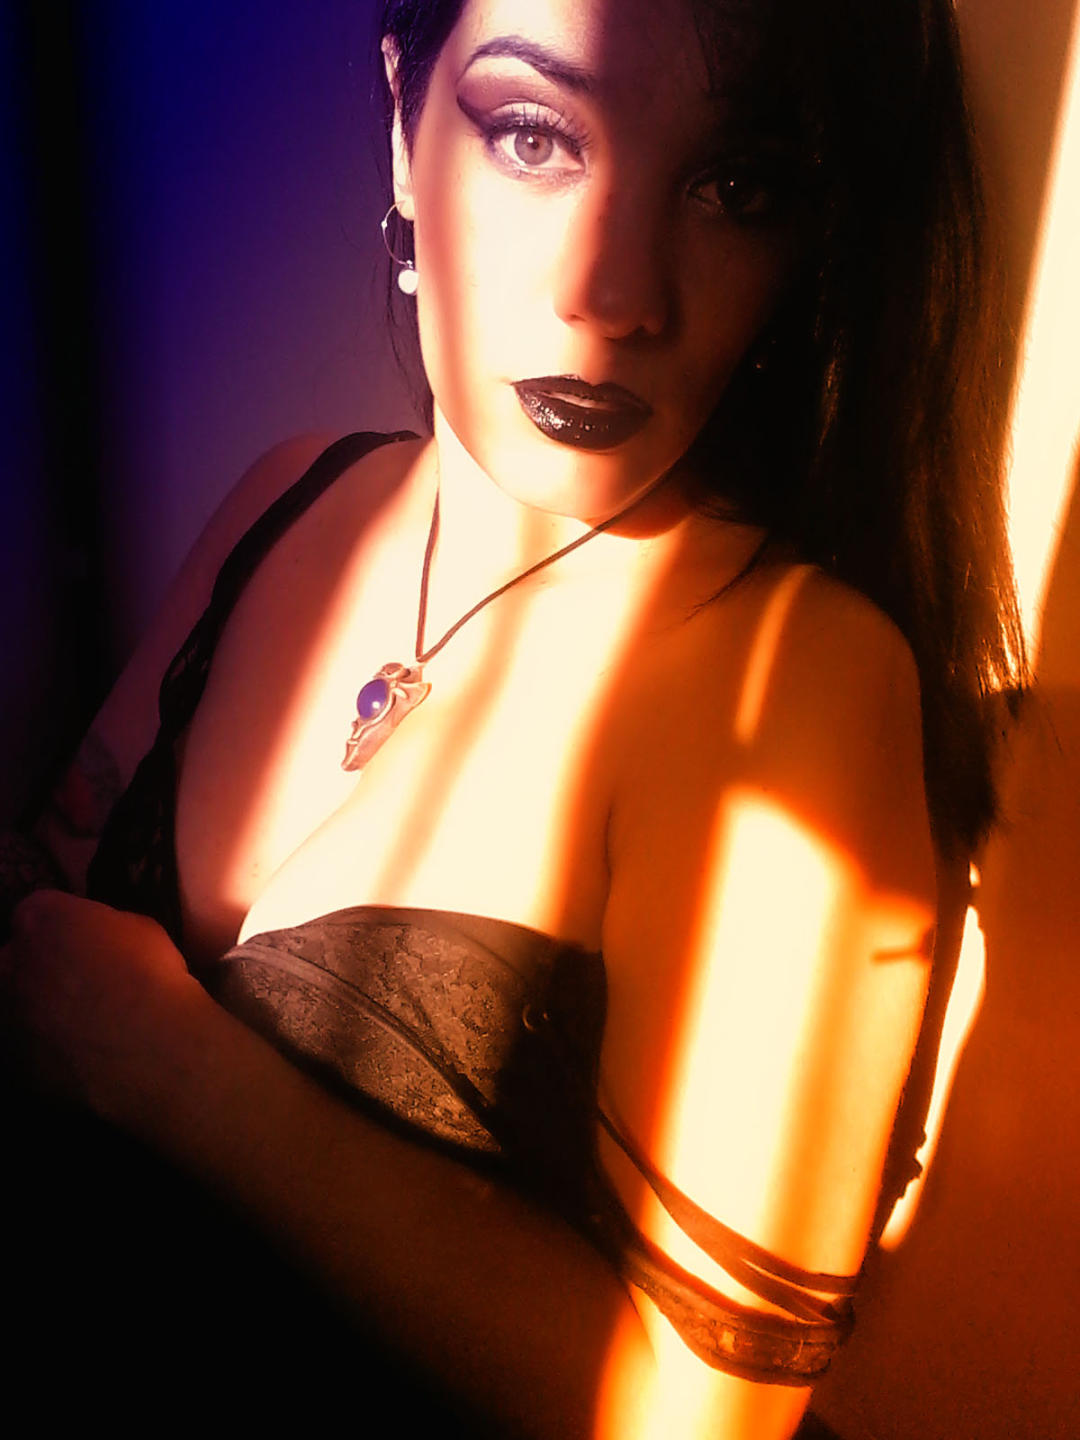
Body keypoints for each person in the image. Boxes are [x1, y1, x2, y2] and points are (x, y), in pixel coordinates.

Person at [1, 1, 1024, 1436]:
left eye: (734, 186)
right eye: (536, 136)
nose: (615, 292)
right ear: (403, 125)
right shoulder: (294, 497)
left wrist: (181, 1077)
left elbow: (693, 1415)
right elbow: (45, 919)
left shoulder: (790, 681)